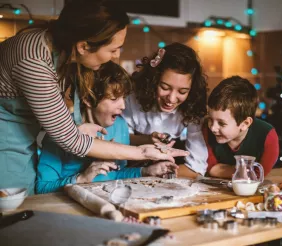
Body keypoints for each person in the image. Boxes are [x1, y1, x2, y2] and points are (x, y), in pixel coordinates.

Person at [0, 0, 187, 194]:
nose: (115, 56)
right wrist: (143, 151)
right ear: (83, 46)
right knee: (11, 206)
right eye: (113, 50)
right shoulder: (34, 60)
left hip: (22, 138)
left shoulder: (63, 51)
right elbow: (70, 139)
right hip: (4, 139)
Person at [36, 62, 178, 194]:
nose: (123, 106)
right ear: (88, 98)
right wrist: (81, 178)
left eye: (124, 98)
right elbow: (42, 188)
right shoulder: (62, 128)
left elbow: (116, 174)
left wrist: (146, 171)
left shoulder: (120, 126)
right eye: (114, 99)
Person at [124, 42, 208, 178]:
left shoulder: (192, 108)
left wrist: (160, 172)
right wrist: (146, 140)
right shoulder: (131, 98)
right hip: (127, 171)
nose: (172, 99)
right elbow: (118, 140)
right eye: (165, 87)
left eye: (182, 91)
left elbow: (197, 166)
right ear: (153, 81)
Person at [203, 76, 279, 179]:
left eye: (221, 123)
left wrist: (225, 170)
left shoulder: (267, 136)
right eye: (210, 119)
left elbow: (257, 175)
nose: (213, 128)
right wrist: (241, 171)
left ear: (245, 124)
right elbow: (210, 168)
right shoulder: (206, 130)